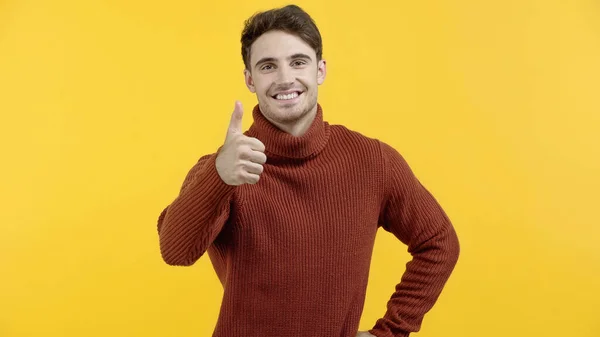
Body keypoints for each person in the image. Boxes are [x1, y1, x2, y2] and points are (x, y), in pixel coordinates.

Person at [156, 4, 460, 337]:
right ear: (250, 79)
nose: (285, 78)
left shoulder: (372, 160)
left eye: (298, 62)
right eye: (268, 66)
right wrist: (218, 176)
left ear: (320, 70)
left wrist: (391, 330)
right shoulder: (228, 168)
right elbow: (176, 252)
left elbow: (438, 241)